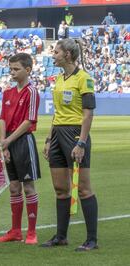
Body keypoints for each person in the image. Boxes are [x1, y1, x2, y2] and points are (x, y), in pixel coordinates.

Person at [41, 38, 98, 251]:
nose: (53, 54)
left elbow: (88, 114)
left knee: (83, 188)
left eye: (56, 52)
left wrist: (81, 143)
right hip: (57, 134)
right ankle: (61, 236)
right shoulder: (59, 78)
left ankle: (92, 239)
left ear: (67, 54)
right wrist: (49, 139)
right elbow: (57, 113)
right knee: (60, 189)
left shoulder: (84, 78)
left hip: (75, 135)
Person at [0, 53, 41, 245]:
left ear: (28, 70)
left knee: (28, 187)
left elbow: (29, 122)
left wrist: (8, 141)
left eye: (16, 69)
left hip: (23, 141)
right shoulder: (7, 93)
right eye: (10, 69)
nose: (12, 72)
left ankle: (31, 232)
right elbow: (2, 119)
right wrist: (3, 143)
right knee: (14, 187)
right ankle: (15, 231)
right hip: (9, 143)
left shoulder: (32, 92)